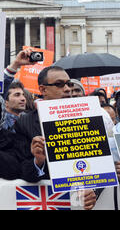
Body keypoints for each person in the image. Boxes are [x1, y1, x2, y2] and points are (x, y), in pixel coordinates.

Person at [12, 66, 97, 210]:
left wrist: (94, 189)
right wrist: (38, 161)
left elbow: (99, 163)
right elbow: (23, 170)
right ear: (43, 90)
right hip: (51, 202)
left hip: (82, 203)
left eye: (69, 84)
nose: (67, 89)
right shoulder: (25, 123)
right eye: (59, 84)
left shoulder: (89, 116)